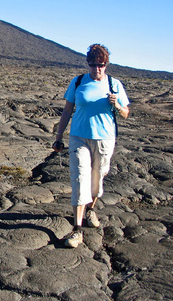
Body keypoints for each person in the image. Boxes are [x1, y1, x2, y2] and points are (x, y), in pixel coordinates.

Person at [52, 44, 130, 248]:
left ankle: (91, 209)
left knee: (97, 177)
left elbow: (126, 113)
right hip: (79, 137)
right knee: (79, 179)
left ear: (106, 64)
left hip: (105, 139)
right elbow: (67, 111)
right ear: (88, 64)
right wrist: (59, 137)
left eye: (101, 65)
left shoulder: (115, 85)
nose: (97, 68)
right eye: (93, 64)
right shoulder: (78, 82)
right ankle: (77, 230)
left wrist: (118, 105)